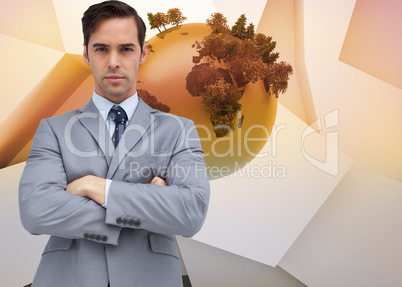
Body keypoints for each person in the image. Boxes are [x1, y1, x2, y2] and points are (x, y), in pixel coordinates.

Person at [18, 1, 210, 286]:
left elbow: (190, 213)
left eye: (126, 49)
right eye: (101, 49)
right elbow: (36, 211)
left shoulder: (179, 130)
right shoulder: (54, 130)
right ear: (86, 53)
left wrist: (95, 186)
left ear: (143, 53)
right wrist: (149, 205)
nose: (113, 62)